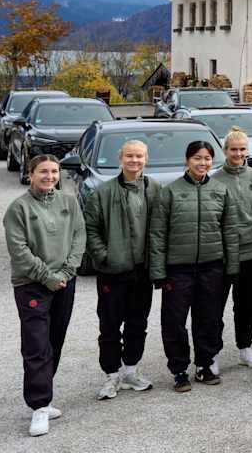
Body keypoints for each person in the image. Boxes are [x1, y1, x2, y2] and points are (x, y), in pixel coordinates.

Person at [149, 141, 240, 392]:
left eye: (207, 158)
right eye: (197, 158)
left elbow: (230, 231)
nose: (203, 163)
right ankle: (179, 370)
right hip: (178, 270)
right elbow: (157, 234)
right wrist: (158, 271)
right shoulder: (170, 192)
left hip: (212, 267)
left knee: (209, 318)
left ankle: (204, 364)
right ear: (187, 160)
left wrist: (232, 267)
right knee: (174, 322)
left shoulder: (220, 190)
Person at [5, 155, 84, 437]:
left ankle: (45, 395)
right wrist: (47, 276)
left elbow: (79, 237)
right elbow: (19, 250)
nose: (49, 176)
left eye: (54, 171)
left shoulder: (69, 203)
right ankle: (39, 406)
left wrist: (67, 271)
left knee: (55, 340)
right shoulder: (18, 208)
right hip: (32, 285)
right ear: (31, 174)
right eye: (43, 172)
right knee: (36, 345)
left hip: (64, 281)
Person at [85, 139, 163, 400]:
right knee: (109, 326)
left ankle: (130, 370)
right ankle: (111, 375)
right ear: (120, 158)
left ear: (146, 159)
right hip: (113, 272)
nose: (134, 160)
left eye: (139, 156)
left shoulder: (154, 189)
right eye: (129, 155)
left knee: (137, 323)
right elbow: (91, 229)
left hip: (142, 270)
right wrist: (104, 257)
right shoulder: (103, 192)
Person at [210, 127, 252, 370]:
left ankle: (245, 347)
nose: (238, 154)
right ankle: (211, 354)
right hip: (223, 252)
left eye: (242, 149)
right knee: (215, 305)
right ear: (225, 151)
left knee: (246, 303)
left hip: (250, 251)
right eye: (233, 149)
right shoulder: (214, 180)